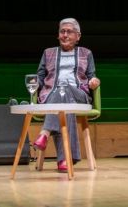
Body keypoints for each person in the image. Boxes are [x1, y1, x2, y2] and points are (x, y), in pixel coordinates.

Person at [31, 18, 100, 172]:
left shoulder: (86, 53)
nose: (65, 35)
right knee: (63, 99)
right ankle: (64, 160)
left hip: (79, 95)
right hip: (51, 95)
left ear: (78, 36)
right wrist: (35, 84)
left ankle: (45, 133)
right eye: (62, 31)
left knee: (65, 89)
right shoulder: (48, 53)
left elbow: (91, 76)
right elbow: (40, 77)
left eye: (69, 32)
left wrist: (94, 81)